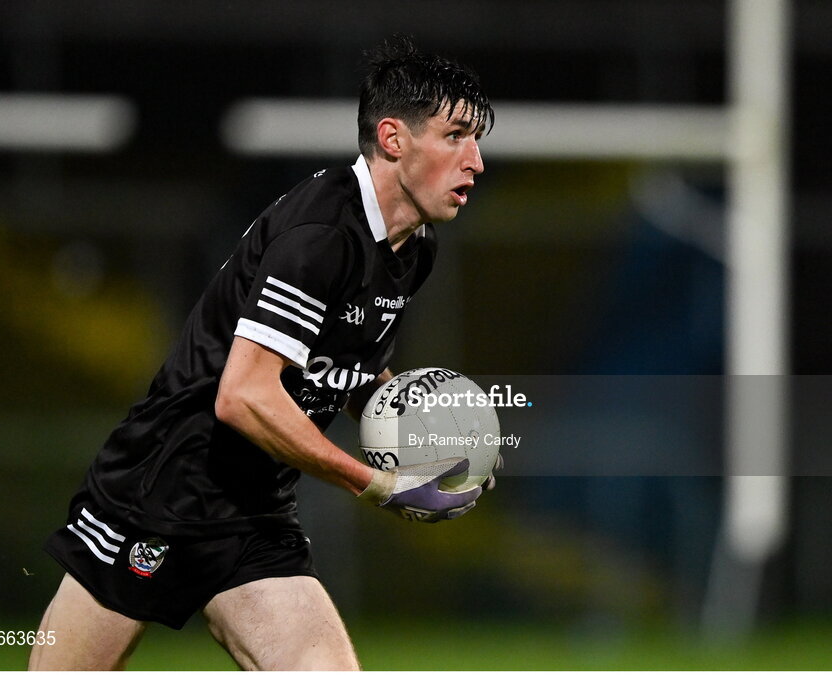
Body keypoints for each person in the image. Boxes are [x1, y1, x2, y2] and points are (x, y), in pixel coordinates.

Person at [28, 35, 495, 671]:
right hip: (159, 493)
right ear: (393, 139)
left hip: (253, 514)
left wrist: (429, 441)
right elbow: (243, 397)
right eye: (456, 136)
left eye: (477, 140)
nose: (476, 161)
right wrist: (379, 484)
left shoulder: (414, 247)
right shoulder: (320, 235)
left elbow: (352, 373)